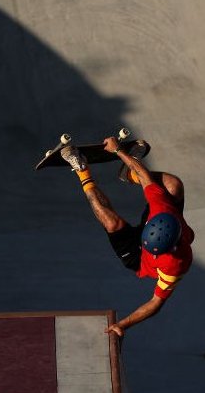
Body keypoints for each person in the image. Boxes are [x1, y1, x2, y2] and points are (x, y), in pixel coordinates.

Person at [60, 136, 194, 338]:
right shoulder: (162, 209)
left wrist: (123, 324)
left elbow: (155, 303)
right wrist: (118, 151)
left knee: (113, 223)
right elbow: (146, 176)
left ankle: (81, 170)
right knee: (173, 185)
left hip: (138, 260)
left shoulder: (177, 265)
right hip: (160, 224)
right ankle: (127, 174)